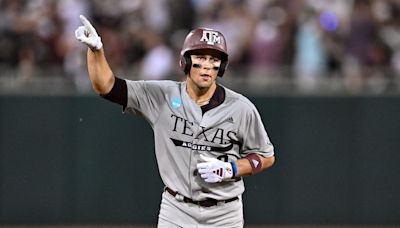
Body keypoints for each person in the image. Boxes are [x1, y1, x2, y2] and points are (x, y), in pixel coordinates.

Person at [75, 15, 275, 228]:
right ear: (185, 62)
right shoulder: (162, 96)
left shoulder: (241, 107)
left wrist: (232, 169)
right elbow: (106, 87)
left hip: (225, 214)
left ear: (221, 66)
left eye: (214, 59)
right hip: (176, 209)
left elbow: (265, 156)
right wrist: (96, 51)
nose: (207, 65)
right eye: (201, 57)